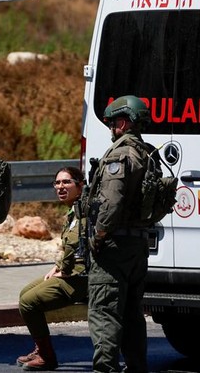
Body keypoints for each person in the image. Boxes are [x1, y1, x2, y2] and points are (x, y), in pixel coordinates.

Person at [87, 95, 152, 373]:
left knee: (105, 311)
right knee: (132, 314)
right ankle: (136, 367)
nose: (110, 128)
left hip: (116, 245)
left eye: (112, 123)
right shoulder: (146, 153)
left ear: (123, 122)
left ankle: (105, 370)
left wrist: (99, 234)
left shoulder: (119, 155)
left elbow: (111, 202)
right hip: (137, 243)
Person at [16, 167, 88, 371]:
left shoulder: (85, 210)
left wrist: (63, 268)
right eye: (57, 183)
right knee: (24, 293)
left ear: (80, 185)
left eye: (66, 182)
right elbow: (71, 245)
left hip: (80, 277)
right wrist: (57, 267)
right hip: (70, 270)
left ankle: (47, 357)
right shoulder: (74, 211)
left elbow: (75, 244)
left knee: (29, 302)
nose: (60, 187)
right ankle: (40, 349)